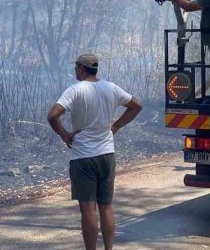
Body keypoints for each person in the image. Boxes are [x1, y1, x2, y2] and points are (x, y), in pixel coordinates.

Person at [47, 53, 142, 250]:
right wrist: (116, 126)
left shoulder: (74, 91)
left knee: (88, 209)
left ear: (82, 68)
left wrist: (65, 135)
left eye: (76, 67)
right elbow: (136, 105)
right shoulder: (111, 87)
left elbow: (52, 115)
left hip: (83, 157)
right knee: (106, 206)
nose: (75, 70)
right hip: (107, 155)